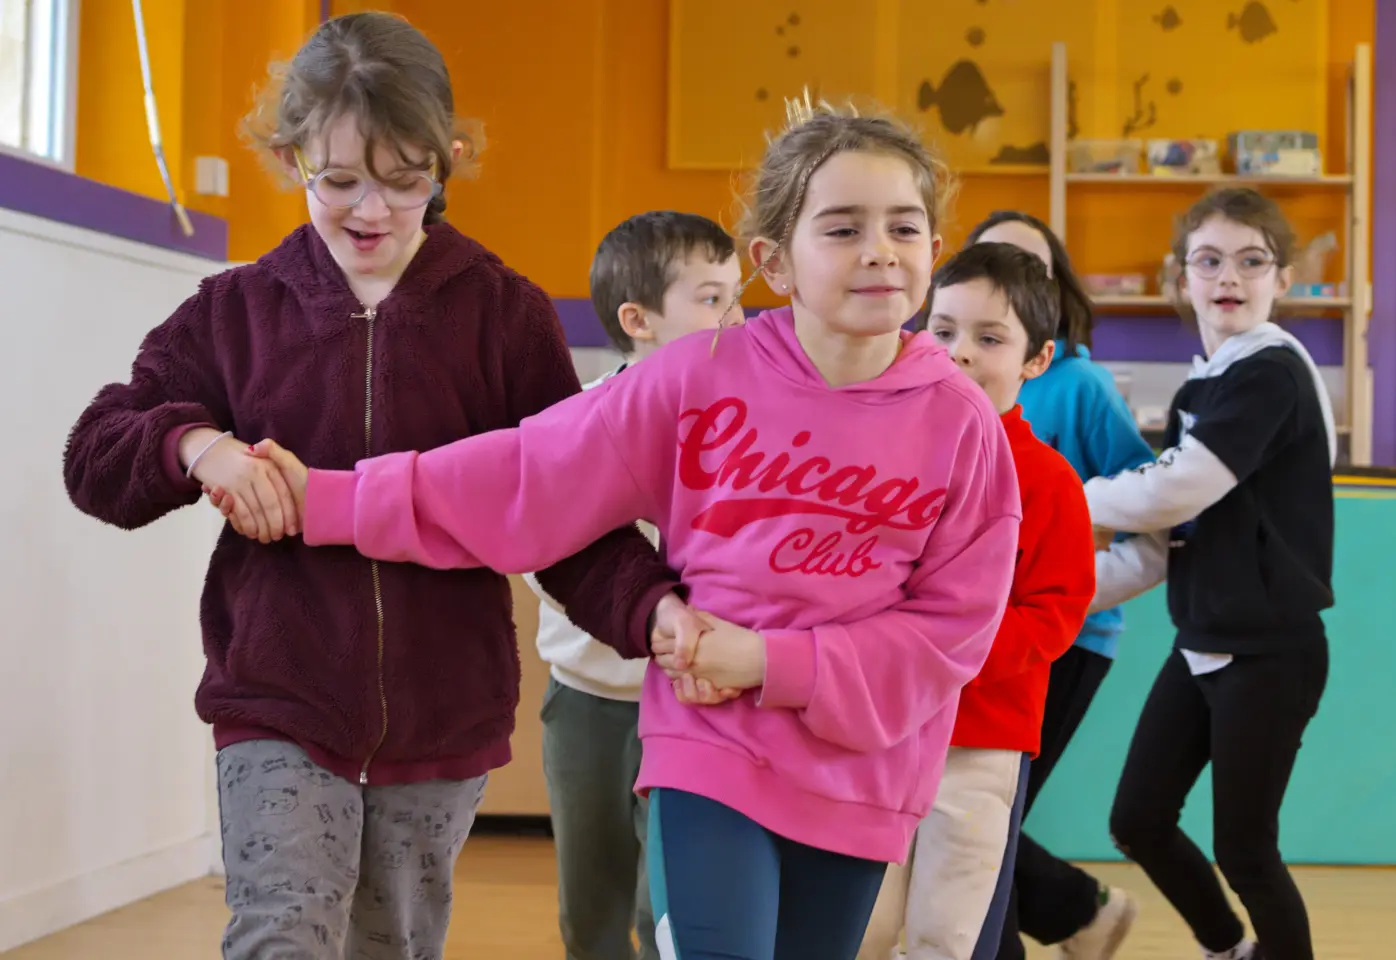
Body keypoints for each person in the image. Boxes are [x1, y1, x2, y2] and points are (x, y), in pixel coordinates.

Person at [244, 94, 1022, 960]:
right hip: (710, 742)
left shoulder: (961, 422)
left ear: (934, 252)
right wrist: (328, 501)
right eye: (842, 229)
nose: (880, 250)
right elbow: (525, 474)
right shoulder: (696, 378)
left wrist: (771, 661)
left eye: (904, 229)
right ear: (774, 261)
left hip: (864, 771)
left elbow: (953, 631)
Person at [61, 13, 673, 959]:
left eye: (404, 180)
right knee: (283, 936)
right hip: (278, 702)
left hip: (442, 717)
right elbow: (97, 453)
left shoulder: (502, 317)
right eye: (338, 180)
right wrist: (195, 446)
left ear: (448, 158)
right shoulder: (235, 312)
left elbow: (566, 513)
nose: (372, 212)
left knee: (391, 946)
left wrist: (657, 614)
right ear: (290, 154)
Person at [1086, 187, 1339, 960]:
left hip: (1269, 653)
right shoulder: (1205, 383)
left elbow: (1177, 488)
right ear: (1181, 276)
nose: (1229, 276)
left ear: (1281, 280)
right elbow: (1166, 537)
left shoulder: (1270, 371)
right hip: (1203, 641)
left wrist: (1066, 500)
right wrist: (1054, 588)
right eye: (1209, 260)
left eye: (1251, 260)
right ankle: (1228, 947)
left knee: (1247, 851)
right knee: (1138, 819)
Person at [858, 242, 1094, 960]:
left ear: (1037, 359)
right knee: (854, 928)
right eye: (944, 330)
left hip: (984, 736)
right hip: (876, 733)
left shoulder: (1050, 481)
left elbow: (1055, 611)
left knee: (947, 935)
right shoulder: (879, 452)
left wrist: (942, 659)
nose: (959, 353)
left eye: (989, 338)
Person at [524, 211, 740, 960]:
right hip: (587, 702)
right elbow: (545, 558)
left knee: (667, 915)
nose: (735, 319)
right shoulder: (576, 421)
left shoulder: (746, 433)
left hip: (697, 706)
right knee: (590, 910)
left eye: (738, 299)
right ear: (637, 319)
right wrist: (639, 619)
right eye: (712, 299)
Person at [963, 210, 1154, 960]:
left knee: (992, 828)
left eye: (1030, 266)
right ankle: (1082, 912)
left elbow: (1146, 497)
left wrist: (1076, 583)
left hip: (1064, 635)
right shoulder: (940, 376)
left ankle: (1074, 913)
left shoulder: (1079, 384)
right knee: (976, 825)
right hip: (965, 641)